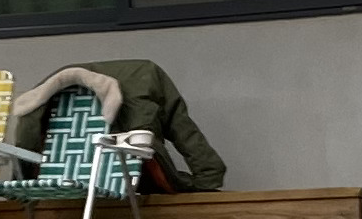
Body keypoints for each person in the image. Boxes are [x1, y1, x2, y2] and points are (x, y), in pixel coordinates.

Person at [25, 59, 225, 192]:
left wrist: (24, 178)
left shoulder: (55, 86)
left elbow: (27, 134)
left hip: (58, 180)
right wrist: (208, 177)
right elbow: (182, 128)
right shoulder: (144, 75)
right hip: (132, 171)